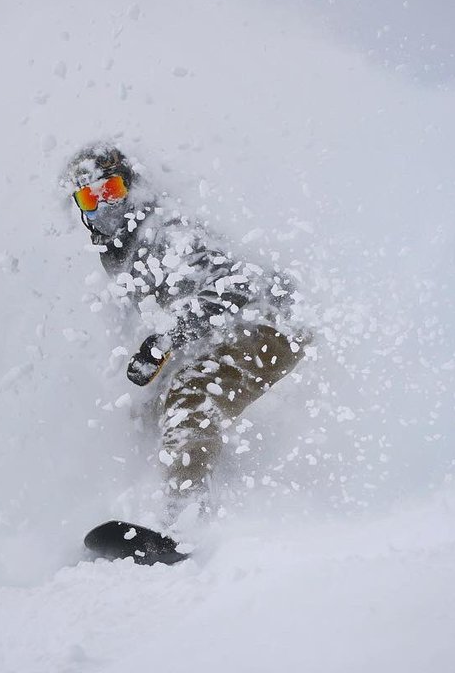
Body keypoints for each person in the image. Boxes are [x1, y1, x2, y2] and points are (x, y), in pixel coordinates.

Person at [64, 141, 310, 528]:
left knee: (191, 394)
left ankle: (187, 517)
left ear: (131, 188)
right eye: (89, 198)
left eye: (111, 190)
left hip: (268, 325)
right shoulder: (121, 257)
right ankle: (221, 495)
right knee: (148, 413)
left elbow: (237, 284)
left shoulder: (165, 232)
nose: (104, 206)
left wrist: (166, 339)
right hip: (227, 336)